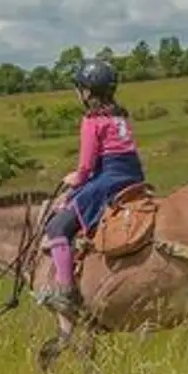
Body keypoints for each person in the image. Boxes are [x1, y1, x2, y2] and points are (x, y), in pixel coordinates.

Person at [38, 58, 145, 314]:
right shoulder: (120, 116)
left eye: (79, 88)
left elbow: (86, 166)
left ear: (87, 92)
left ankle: (65, 291)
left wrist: (74, 179)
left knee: (56, 226)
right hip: (132, 176)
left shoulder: (92, 120)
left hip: (107, 180)